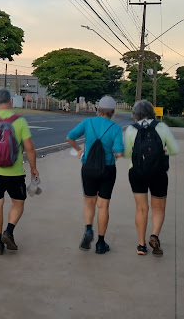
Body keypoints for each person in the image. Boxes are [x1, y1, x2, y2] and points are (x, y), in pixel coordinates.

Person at [0, 88, 38, 255]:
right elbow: (30, 148)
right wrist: (33, 168)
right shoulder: (20, 121)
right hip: (14, 172)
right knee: (18, 203)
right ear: (11, 101)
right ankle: (9, 232)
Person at [66, 95, 124, 254]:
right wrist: (113, 155)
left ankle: (88, 229)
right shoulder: (115, 128)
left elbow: (69, 137)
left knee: (89, 201)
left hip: (88, 168)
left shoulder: (88, 122)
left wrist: (80, 151)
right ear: (113, 111)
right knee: (103, 205)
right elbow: (119, 152)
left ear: (98, 109)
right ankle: (100, 243)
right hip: (107, 169)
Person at [123, 100, 180, 257]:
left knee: (141, 209)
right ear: (152, 112)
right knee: (158, 208)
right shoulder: (162, 127)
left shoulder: (131, 129)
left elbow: (127, 154)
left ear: (135, 114)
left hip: (137, 173)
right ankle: (154, 235)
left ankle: (141, 245)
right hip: (158, 173)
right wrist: (163, 151)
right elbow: (175, 150)